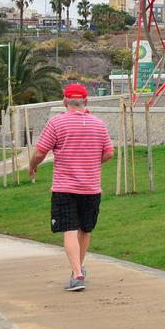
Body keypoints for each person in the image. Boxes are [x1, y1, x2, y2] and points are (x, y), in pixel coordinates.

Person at [28, 83, 114, 291]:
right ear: (86, 101)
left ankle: (77, 275)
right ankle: (79, 268)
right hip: (91, 188)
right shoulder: (98, 124)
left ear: (64, 101)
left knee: (69, 230)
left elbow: (40, 152)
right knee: (85, 229)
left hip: (65, 187)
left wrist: (32, 166)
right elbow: (109, 152)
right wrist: (91, 162)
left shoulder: (57, 123)